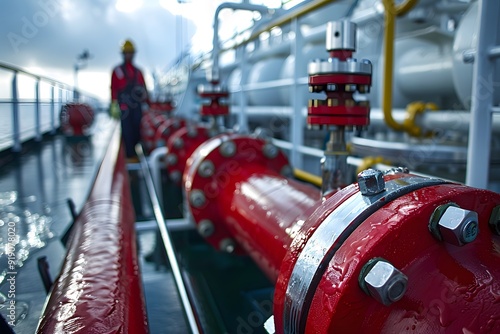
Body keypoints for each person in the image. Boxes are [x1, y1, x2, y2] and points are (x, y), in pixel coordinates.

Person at [110, 39, 148, 161]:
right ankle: (129, 155)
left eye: (130, 52)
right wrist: (114, 105)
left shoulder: (138, 72)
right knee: (127, 129)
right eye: (126, 53)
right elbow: (113, 89)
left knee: (137, 128)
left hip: (136, 106)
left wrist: (148, 103)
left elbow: (144, 89)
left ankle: (136, 151)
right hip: (124, 106)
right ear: (123, 54)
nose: (129, 55)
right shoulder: (117, 71)